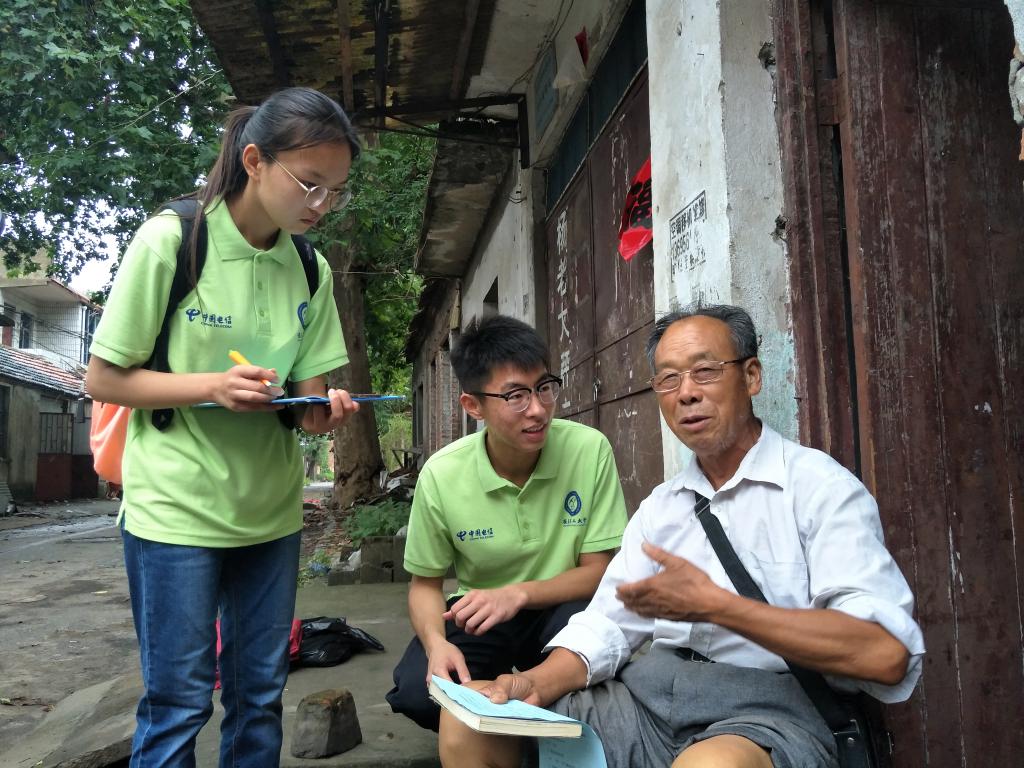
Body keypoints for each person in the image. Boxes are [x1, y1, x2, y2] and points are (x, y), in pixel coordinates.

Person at [442, 305, 925, 768]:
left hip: (768, 710)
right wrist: (534, 683)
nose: (686, 393)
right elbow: (607, 625)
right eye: (669, 379)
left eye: (706, 371)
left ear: (751, 376)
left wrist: (719, 607)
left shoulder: (819, 489)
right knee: (468, 721)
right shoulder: (663, 507)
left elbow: (886, 654)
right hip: (649, 700)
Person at [85, 87, 361, 767]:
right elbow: (104, 379)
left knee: (259, 698)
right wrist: (212, 385)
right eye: (310, 183)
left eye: (335, 191)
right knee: (179, 705)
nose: (321, 204)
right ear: (255, 161)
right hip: (175, 511)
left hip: (270, 515)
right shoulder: (174, 241)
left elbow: (307, 403)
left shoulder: (310, 268)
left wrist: (323, 411)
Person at [386, 315, 628, 732]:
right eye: (515, 396)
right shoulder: (442, 475)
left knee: (598, 671)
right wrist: (436, 643)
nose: (537, 409)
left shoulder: (589, 450)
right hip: (482, 615)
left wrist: (517, 594)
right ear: (473, 406)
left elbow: (599, 571)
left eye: (544, 387)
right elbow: (424, 585)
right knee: (419, 693)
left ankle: (544, 724)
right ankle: (500, 731)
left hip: (563, 606)